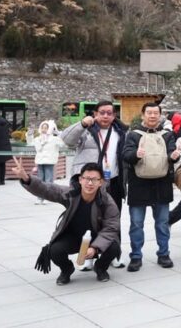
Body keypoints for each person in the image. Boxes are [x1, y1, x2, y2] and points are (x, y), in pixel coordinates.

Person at [12, 159, 120, 285]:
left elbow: (111, 228)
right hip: (72, 237)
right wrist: (26, 178)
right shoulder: (71, 194)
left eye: (94, 179)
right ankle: (67, 270)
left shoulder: (106, 201)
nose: (90, 183)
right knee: (54, 250)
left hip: (95, 238)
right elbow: (48, 189)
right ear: (80, 179)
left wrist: (95, 248)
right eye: (86, 178)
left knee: (113, 247)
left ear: (101, 182)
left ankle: (100, 268)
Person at [61, 100, 127, 269]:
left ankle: (113, 254)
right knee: (88, 220)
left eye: (109, 113)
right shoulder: (87, 131)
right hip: (90, 183)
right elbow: (67, 140)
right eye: (102, 112)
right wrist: (82, 124)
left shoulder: (120, 132)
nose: (105, 116)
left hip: (113, 181)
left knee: (113, 219)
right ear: (95, 114)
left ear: (114, 116)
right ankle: (87, 257)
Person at [123, 102, 181, 272]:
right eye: (149, 113)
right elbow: (126, 155)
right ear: (143, 115)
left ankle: (164, 254)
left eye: (156, 113)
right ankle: (136, 256)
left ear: (160, 116)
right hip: (138, 184)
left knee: (162, 223)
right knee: (136, 223)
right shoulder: (133, 135)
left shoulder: (167, 135)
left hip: (161, 184)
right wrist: (135, 154)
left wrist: (174, 156)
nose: (153, 116)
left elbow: (171, 154)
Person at [33, 120, 64, 205]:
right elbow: (38, 149)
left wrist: (58, 133)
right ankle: (39, 197)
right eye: (42, 128)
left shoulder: (54, 139)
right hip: (40, 161)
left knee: (48, 180)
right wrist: (41, 141)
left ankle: (48, 197)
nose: (44, 130)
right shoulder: (38, 139)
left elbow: (62, 143)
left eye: (46, 128)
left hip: (49, 161)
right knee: (40, 180)